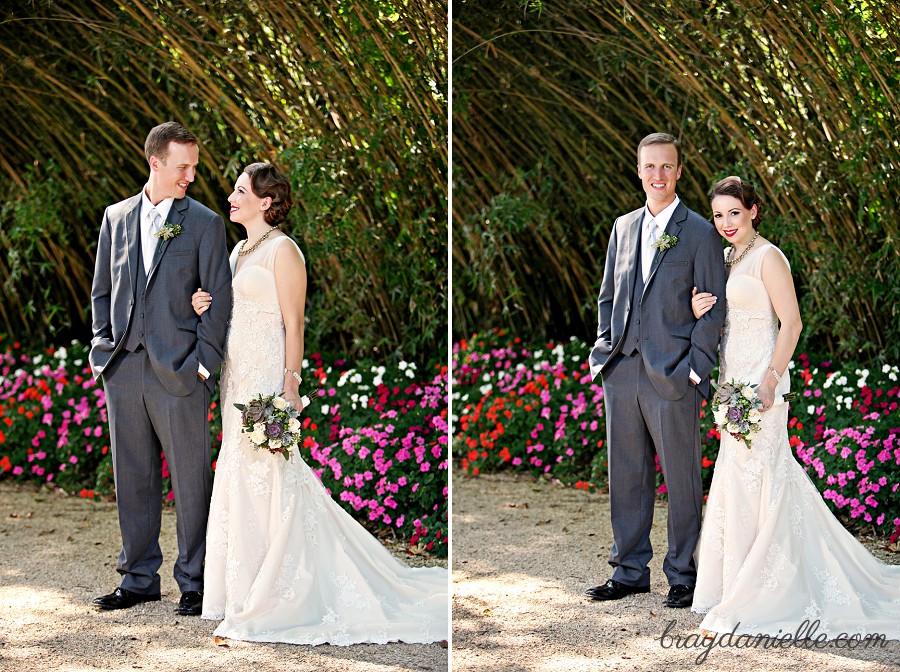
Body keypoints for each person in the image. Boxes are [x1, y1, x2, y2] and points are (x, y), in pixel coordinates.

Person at [191, 162, 448, 646]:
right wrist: (203, 305)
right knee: (241, 477)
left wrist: (290, 385)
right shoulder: (239, 251)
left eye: (240, 190)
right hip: (235, 380)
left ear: (265, 202)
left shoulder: (283, 252)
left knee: (272, 475)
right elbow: (230, 314)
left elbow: (294, 323)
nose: (231, 196)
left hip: (266, 380)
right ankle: (242, 591)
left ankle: (285, 587)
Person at [689, 176, 900, 637]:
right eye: (718, 214)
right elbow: (723, 321)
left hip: (762, 385)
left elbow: (792, 322)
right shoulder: (725, 258)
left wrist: (769, 380)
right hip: (731, 383)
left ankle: (766, 589)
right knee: (737, 478)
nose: (726, 222)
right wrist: (699, 306)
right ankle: (734, 582)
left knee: (766, 474)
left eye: (735, 213)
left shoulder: (769, 257)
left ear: (754, 211)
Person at [89, 122, 233, 616]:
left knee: (192, 480)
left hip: (181, 372)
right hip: (124, 369)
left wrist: (203, 368)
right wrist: (102, 351)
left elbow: (219, 301)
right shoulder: (116, 216)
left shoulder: (206, 223)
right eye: (182, 166)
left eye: (193, 166)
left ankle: (194, 581)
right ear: (155, 162)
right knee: (132, 478)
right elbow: (102, 290)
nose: (190, 176)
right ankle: (138, 579)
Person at [586, 133, 727, 609]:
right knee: (626, 475)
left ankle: (684, 575)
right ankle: (628, 571)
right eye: (650, 167)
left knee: (682, 478)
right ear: (639, 170)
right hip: (622, 371)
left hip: (673, 375)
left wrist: (695, 369)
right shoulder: (623, 227)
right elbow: (608, 295)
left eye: (666, 167)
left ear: (680, 171)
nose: (658, 175)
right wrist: (603, 355)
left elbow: (714, 309)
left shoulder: (701, 232)